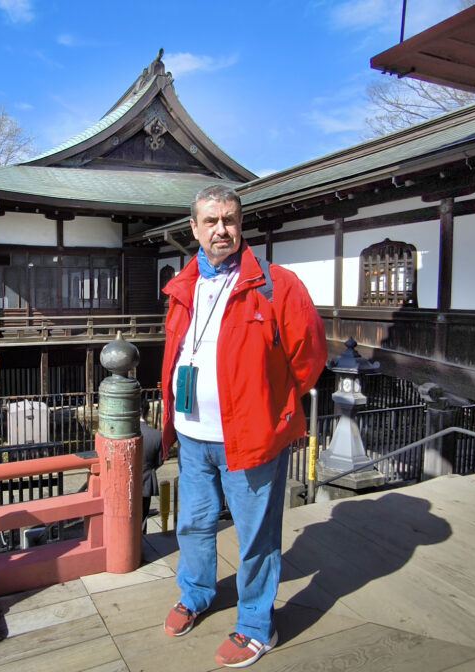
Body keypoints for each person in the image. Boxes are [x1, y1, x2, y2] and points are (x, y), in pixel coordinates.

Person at [159, 184, 327, 667]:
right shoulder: (183, 285)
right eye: (211, 221)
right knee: (193, 523)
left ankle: (256, 624)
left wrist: (273, 407)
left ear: (240, 224)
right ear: (194, 228)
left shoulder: (277, 285)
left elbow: (310, 357)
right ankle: (195, 592)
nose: (221, 229)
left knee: (256, 536)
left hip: (251, 438)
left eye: (229, 220)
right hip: (193, 435)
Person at [140, 398, 163, 533]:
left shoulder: (121, 435)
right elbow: (159, 461)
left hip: (124, 482)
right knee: (143, 516)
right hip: (145, 480)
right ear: (148, 412)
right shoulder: (156, 435)